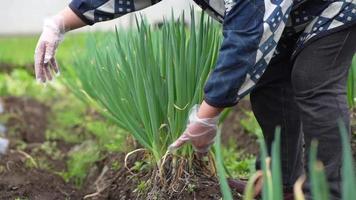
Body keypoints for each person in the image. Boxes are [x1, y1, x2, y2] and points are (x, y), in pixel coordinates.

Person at [34, 0, 356, 199]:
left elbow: (246, 39)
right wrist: (60, 22)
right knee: (270, 85)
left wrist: (206, 115)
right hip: (289, 11)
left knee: (313, 81)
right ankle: (283, 184)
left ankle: (330, 191)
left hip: (332, 8)